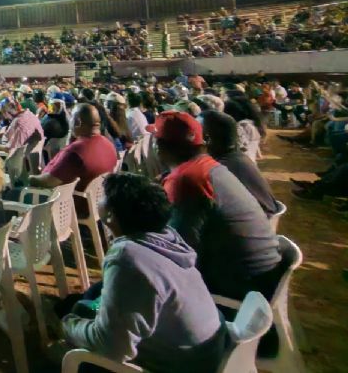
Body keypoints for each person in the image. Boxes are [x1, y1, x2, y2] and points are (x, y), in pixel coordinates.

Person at [62, 173, 227, 372]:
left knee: (80, 338)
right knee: (94, 293)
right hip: (209, 346)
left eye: (102, 197)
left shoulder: (128, 258)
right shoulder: (167, 238)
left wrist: (68, 325)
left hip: (184, 364)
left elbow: (112, 347)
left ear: (111, 214)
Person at [152, 110, 282, 300]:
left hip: (244, 286)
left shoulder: (187, 179)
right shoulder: (208, 166)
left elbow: (179, 250)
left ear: (159, 146)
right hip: (263, 274)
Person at [202, 111, 279, 216]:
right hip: (262, 222)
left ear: (206, 139)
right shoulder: (236, 158)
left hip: (253, 227)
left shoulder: (221, 169)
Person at [28, 103, 117, 192]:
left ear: (78, 122)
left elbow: (48, 182)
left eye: (71, 118)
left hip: (65, 202)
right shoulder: (109, 145)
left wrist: (29, 179)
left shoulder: (76, 152)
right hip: (96, 200)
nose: (70, 121)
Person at [1, 97, 44, 175]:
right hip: (32, 154)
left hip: (22, 164)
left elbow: (10, 148)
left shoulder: (20, 123)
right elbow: (8, 133)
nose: (4, 116)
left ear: (8, 111)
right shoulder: (27, 113)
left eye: (3, 113)